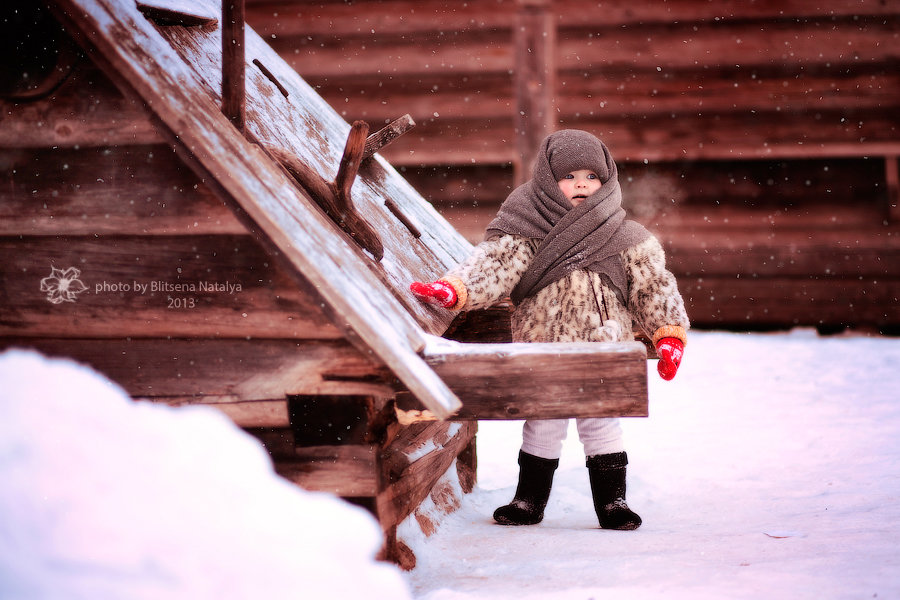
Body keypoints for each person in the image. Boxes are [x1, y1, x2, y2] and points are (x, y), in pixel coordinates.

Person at [410, 129, 688, 530]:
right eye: (569, 176)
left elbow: (652, 284)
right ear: (547, 179)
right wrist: (457, 288)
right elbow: (497, 263)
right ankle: (528, 500)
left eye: (592, 176)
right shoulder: (526, 224)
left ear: (606, 180)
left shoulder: (626, 236)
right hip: (543, 347)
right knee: (542, 422)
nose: (581, 184)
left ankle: (614, 502)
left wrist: (668, 332)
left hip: (602, 346)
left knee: (602, 422)